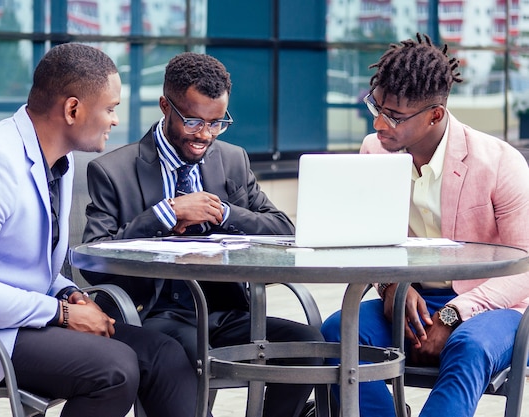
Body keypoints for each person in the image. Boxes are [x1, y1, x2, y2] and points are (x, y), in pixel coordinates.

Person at [0, 43, 204, 417]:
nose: (114, 120)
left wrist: (71, 294)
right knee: (114, 369)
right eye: (110, 109)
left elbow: (28, 265)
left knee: (163, 355)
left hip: (13, 320)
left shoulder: (60, 162)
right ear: (72, 109)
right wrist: (60, 313)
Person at [81, 51, 324, 417]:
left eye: (217, 122)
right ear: (166, 106)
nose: (205, 135)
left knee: (309, 345)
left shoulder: (232, 159)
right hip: (155, 315)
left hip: (223, 312)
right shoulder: (112, 170)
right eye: (193, 122)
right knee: (174, 360)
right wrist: (165, 213)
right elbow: (93, 259)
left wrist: (223, 212)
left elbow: (283, 229)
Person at [321, 33, 529, 417]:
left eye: (395, 116)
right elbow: (369, 242)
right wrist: (390, 287)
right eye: (376, 106)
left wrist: (455, 314)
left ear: (435, 114)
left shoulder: (500, 163)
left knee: (468, 347)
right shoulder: (374, 152)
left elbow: (525, 265)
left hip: (495, 307)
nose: (380, 123)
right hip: (412, 302)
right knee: (336, 334)